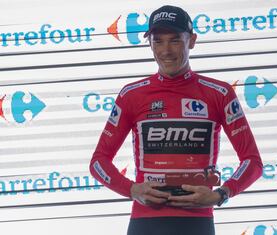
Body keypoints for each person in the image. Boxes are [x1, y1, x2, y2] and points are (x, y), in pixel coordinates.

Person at [89, 5, 263, 235]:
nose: (166, 50)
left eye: (175, 40)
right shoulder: (131, 95)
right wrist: (132, 190)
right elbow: (98, 162)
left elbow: (253, 162)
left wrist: (220, 194)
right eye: (157, 41)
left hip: (197, 222)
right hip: (145, 222)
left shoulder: (219, 94)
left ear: (191, 40)